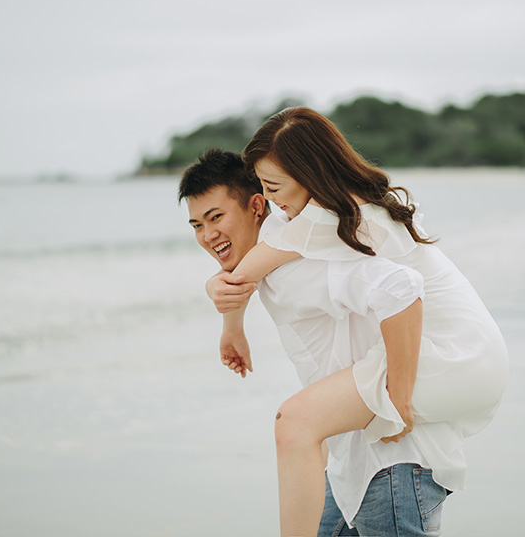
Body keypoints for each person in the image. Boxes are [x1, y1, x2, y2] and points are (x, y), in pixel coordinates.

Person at [210, 107, 509, 537]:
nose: (269, 199)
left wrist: (400, 398)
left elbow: (247, 269)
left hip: (454, 354)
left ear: (309, 174)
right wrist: (229, 319)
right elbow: (248, 268)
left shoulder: (329, 215)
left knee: (296, 422)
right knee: (301, 424)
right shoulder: (340, 204)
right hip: (468, 349)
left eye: (272, 186)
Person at [179, 150, 448, 536]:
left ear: (257, 205)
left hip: (391, 461)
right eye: (196, 225)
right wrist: (232, 328)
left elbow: (401, 287)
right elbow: (238, 280)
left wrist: (399, 400)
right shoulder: (278, 253)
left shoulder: (296, 267)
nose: (207, 236)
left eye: (216, 218)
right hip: (350, 466)